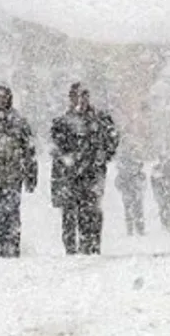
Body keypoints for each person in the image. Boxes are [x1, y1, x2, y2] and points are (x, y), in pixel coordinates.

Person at [51, 82, 120, 255]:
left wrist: (103, 155)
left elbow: (112, 139)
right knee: (69, 212)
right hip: (70, 174)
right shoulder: (62, 122)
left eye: (83, 96)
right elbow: (57, 147)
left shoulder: (100, 119)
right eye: (76, 96)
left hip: (92, 173)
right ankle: (71, 248)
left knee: (91, 211)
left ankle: (91, 246)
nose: (80, 101)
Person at [0, 83, 37, 258]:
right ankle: (3, 244)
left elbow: (29, 149)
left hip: (13, 175)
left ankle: (13, 245)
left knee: (13, 211)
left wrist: (31, 174)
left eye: (3, 96)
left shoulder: (18, 121)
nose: (0, 99)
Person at [115, 151, 147, 236]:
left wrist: (139, 189)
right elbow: (118, 184)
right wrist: (125, 188)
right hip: (129, 195)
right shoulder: (124, 174)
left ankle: (138, 230)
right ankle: (133, 230)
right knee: (132, 212)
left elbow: (143, 183)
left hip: (135, 195)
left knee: (137, 212)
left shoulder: (139, 174)